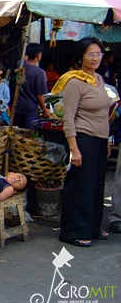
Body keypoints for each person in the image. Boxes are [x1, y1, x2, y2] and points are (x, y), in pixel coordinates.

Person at [54, 37, 112, 247]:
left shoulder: (98, 79)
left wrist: (106, 141)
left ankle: (92, 227)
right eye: (91, 54)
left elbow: (104, 113)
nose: (96, 58)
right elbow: (68, 118)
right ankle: (72, 231)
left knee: (96, 186)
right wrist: (74, 149)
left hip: (99, 139)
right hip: (83, 138)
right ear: (80, 57)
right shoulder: (74, 82)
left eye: (99, 54)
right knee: (80, 186)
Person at [13, 43, 50, 129]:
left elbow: (24, 59)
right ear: (38, 55)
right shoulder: (39, 73)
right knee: (29, 134)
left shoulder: (20, 65)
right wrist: (44, 110)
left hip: (18, 107)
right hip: (30, 109)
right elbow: (39, 95)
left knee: (18, 133)